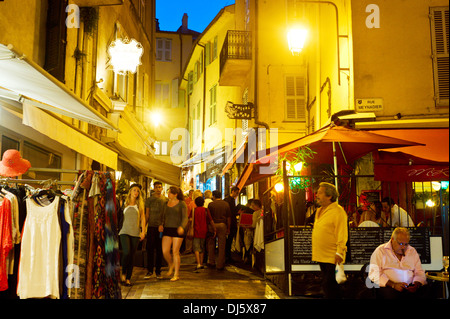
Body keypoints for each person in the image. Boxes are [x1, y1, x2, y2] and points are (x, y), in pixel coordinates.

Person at [311, 182, 348, 299]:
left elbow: (342, 233)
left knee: (330, 285)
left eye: (320, 193)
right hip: (321, 255)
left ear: (329, 196)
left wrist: (339, 252)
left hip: (333, 255)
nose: (316, 195)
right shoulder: (319, 210)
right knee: (329, 285)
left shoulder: (338, 211)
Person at [368, 227, 427, 299]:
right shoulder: (381, 251)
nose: (403, 247)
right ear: (392, 239)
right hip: (389, 287)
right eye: (401, 243)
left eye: (406, 244)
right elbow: (374, 274)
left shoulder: (412, 251)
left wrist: (416, 284)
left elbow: (419, 272)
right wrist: (393, 285)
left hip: (409, 288)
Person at [119, 184, 146, 286]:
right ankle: (123, 272)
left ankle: (128, 278)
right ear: (130, 191)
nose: (136, 192)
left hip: (135, 233)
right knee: (126, 252)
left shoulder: (139, 205)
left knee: (132, 256)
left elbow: (143, 218)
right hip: (124, 231)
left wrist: (143, 231)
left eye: (138, 191)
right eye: (134, 190)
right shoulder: (123, 203)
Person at [159, 186, 188, 282]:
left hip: (177, 229)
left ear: (175, 194)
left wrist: (182, 227)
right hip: (167, 229)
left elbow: (185, 218)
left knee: (175, 252)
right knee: (165, 251)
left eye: (170, 192)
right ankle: (171, 264)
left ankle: (176, 274)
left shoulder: (182, 204)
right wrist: (161, 224)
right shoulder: (165, 203)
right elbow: (163, 216)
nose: (168, 194)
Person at [144, 181, 166, 279]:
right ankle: (149, 270)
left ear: (162, 188)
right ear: (154, 188)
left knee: (159, 249)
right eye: (156, 187)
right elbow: (147, 214)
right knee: (150, 248)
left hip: (161, 228)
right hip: (151, 227)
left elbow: (166, 215)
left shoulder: (165, 200)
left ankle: (158, 270)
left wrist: (162, 224)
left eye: (160, 187)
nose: (158, 189)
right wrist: (144, 227)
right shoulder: (149, 200)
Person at [206, 190, 231, 270]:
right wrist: (228, 228)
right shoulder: (226, 204)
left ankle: (211, 261)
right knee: (222, 245)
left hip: (212, 225)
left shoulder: (211, 204)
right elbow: (228, 217)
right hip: (222, 225)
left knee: (211, 244)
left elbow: (208, 217)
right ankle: (220, 264)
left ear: (213, 196)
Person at [192, 196, 216, 270]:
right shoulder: (206, 210)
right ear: (203, 203)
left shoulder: (194, 210)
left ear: (195, 203)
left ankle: (198, 263)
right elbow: (211, 220)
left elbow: (190, 220)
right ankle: (201, 263)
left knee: (196, 247)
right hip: (204, 230)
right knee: (202, 247)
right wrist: (214, 229)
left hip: (195, 230)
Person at [224, 186, 241, 263]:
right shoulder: (230, 200)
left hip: (229, 222)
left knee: (229, 240)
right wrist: (238, 211)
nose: (237, 195)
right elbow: (231, 212)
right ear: (233, 191)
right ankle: (227, 256)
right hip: (230, 222)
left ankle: (227, 255)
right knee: (229, 240)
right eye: (237, 193)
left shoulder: (228, 199)